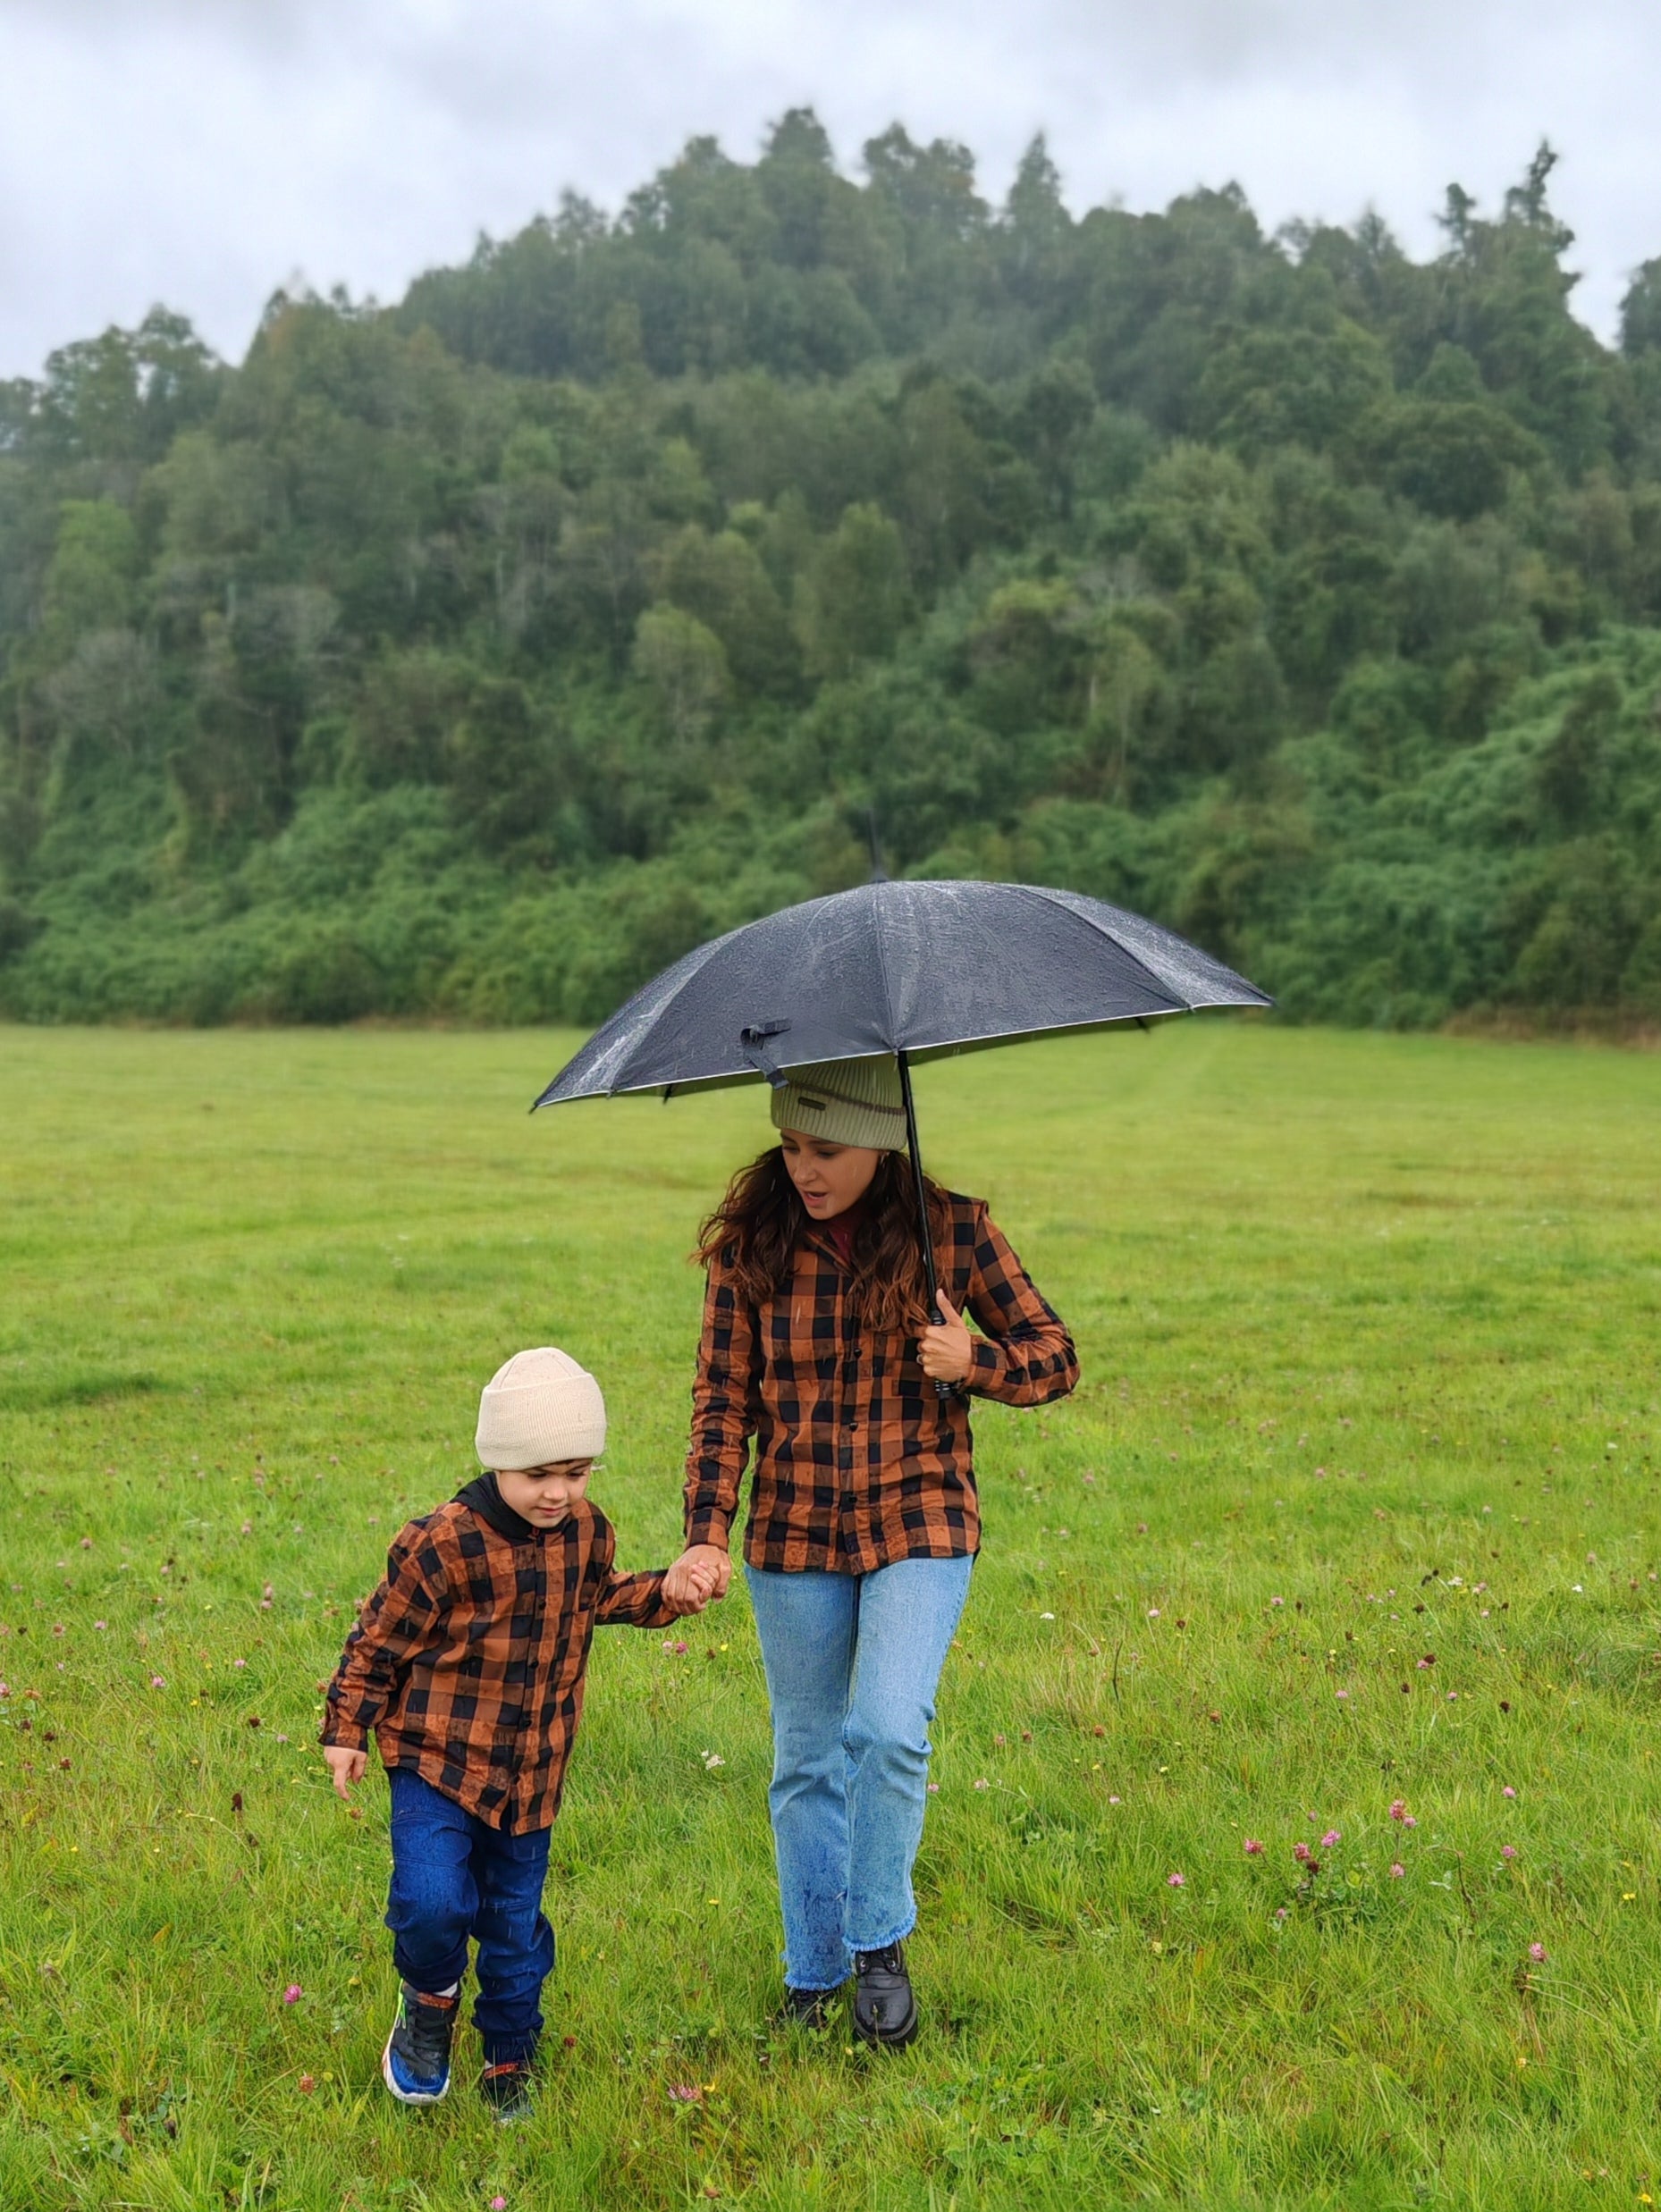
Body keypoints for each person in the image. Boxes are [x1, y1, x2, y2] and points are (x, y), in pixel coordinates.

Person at [660, 1057, 1077, 2046]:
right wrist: (704, 1534)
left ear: (882, 1142)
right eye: (792, 1147)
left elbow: (1056, 1356)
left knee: (886, 1730)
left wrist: (975, 1361)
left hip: (920, 1517)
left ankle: (877, 1941)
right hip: (794, 1528)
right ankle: (811, 1971)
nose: (806, 1170)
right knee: (807, 1755)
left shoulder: (955, 1231)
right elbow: (722, 1401)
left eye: (829, 1152)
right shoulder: (752, 1249)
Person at [321, 1346, 714, 2118]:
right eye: (540, 1474)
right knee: (433, 1902)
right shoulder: (442, 1543)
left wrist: (664, 1589)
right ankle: (428, 2005)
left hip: (533, 1774)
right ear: (500, 1460)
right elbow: (378, 1638)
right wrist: (346, 1727)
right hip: (438, 1763)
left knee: (512, 1928)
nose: (559, 1492)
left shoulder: (586, 1531)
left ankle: (509, 2052)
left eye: (576, 1471)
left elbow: (600, 1595)